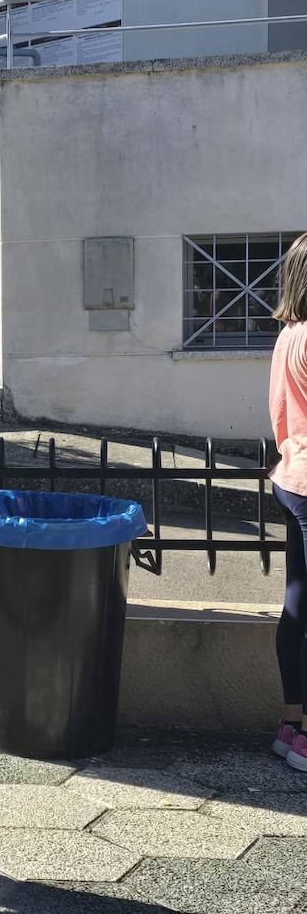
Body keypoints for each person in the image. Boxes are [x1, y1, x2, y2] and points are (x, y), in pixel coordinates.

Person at [268, 232, 307, 772]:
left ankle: (291, 726)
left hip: (292, 474)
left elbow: (278, 412)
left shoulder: (288, 335)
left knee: (298, 604)